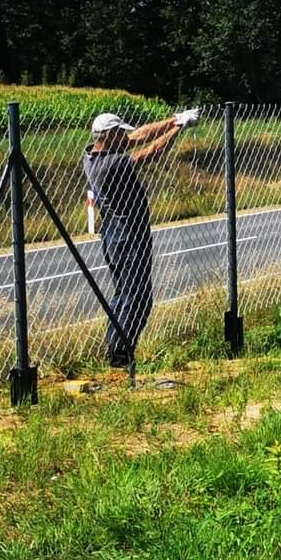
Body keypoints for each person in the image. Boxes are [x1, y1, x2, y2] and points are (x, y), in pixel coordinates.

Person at [83, 109, 197, 368]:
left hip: (113, 234)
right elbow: (151, 152)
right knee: (138, 297)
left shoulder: (91, 155)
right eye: (120, 132)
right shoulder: (112, 164)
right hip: (129, 235)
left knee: (123, 293)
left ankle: (115, 349)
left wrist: (174, 119)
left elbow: (138, 137)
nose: (126, 135)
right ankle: (121, 356)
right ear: (110, 135)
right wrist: (178, 129)